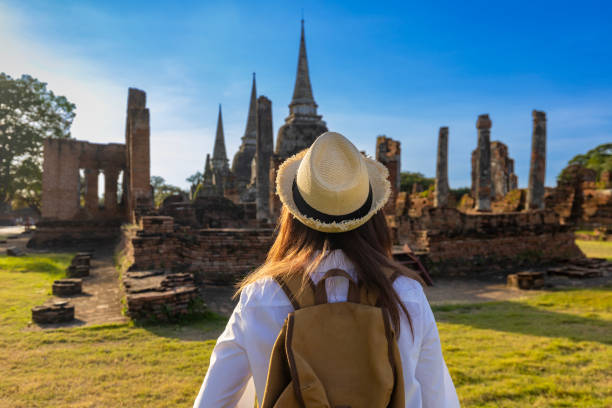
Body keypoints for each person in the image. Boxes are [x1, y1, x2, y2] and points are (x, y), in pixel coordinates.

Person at [194, 132, 460, 407]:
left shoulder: (261, 297)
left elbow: (212, 402)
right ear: (372, 216)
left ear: (292, 216)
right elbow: (439, 400)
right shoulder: (407, 294)